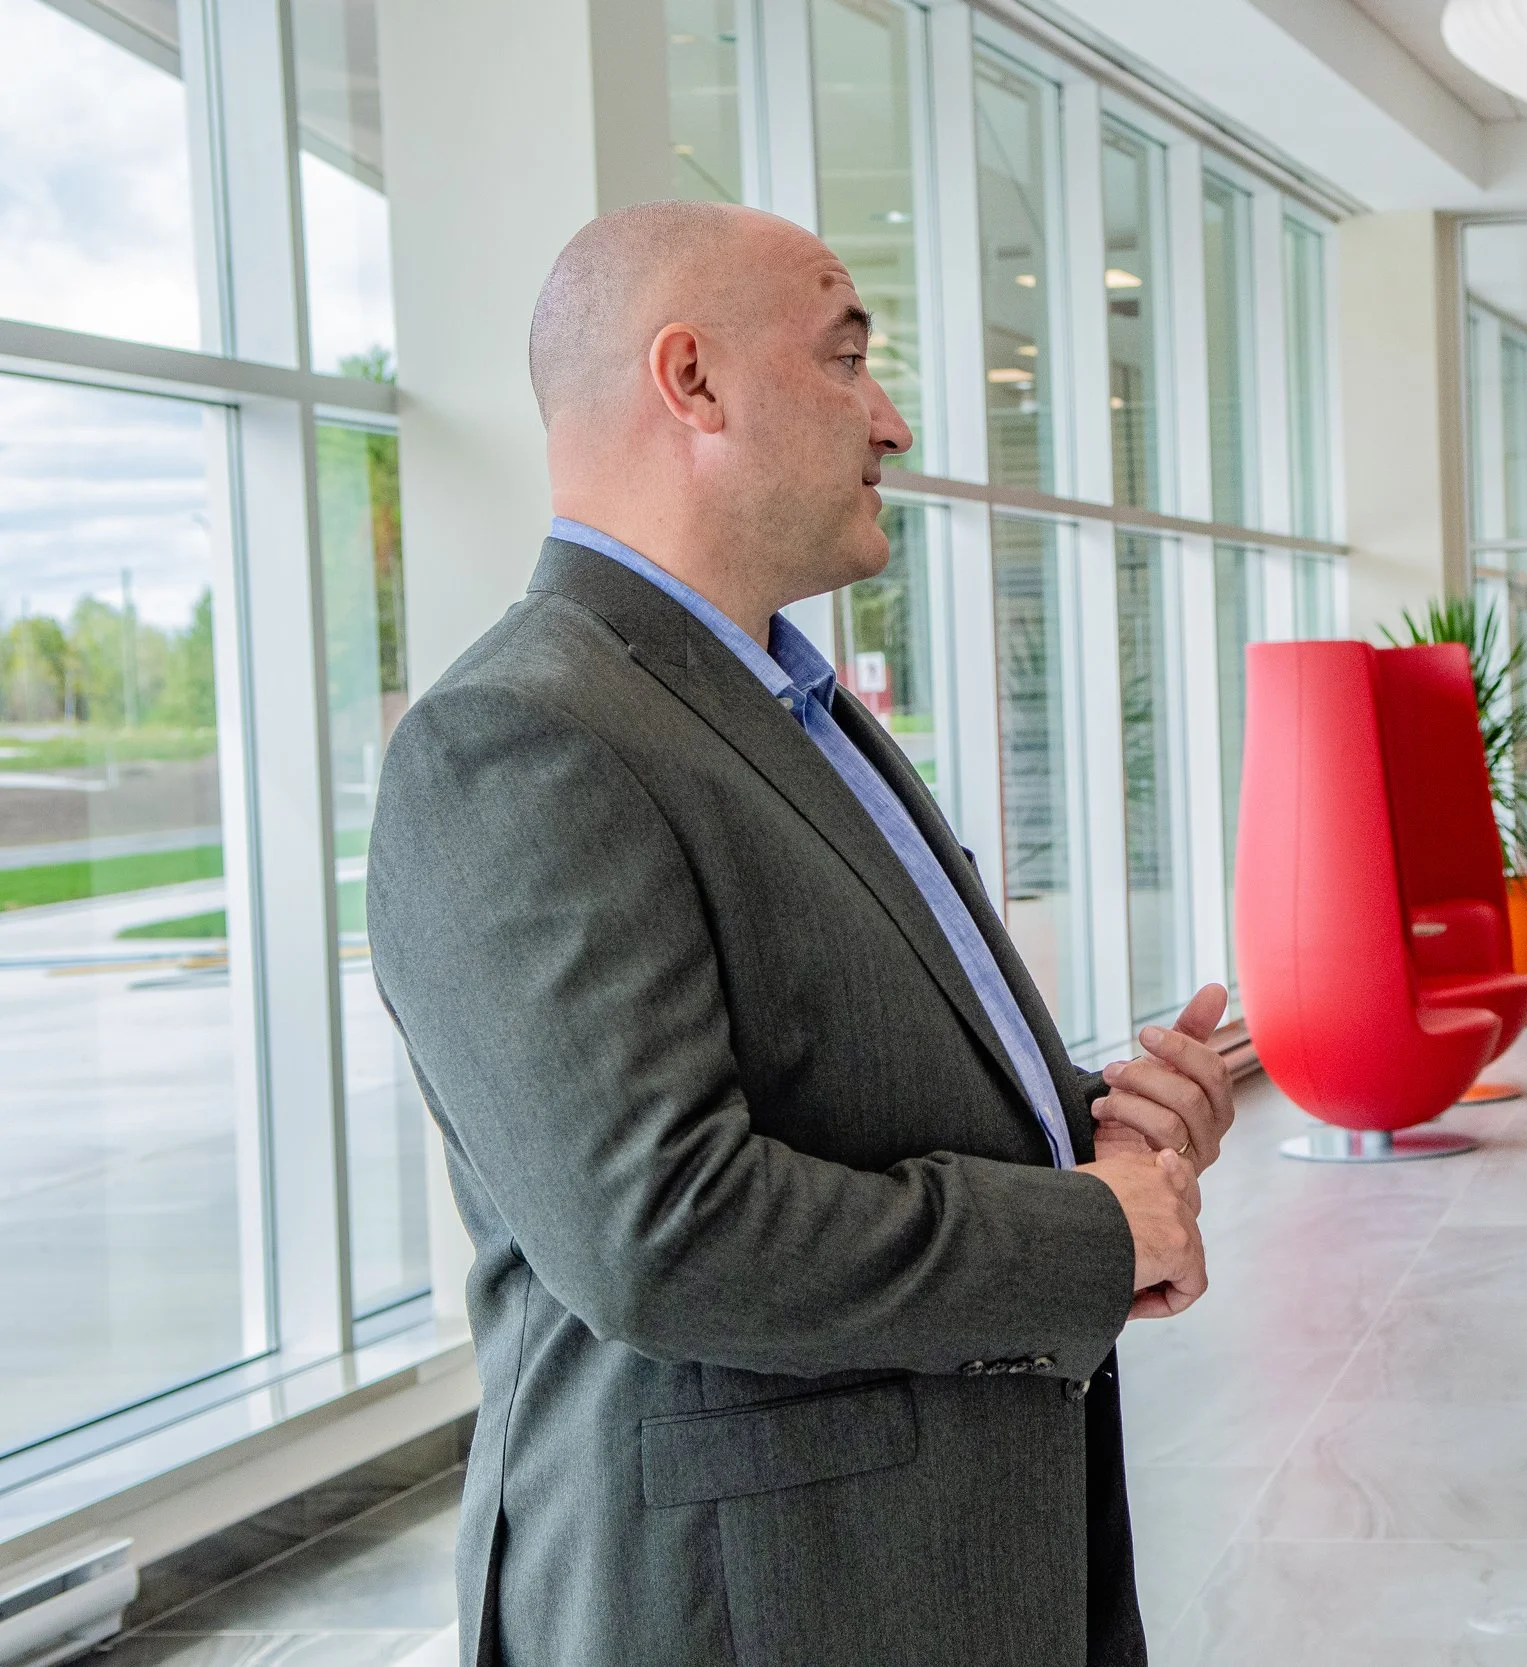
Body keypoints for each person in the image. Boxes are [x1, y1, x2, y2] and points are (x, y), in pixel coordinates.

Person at [367, 200, 1235, 1667]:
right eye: (845, 360)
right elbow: (659, 1228)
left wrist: (1101, 1125)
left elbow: (840, 1075)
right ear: (691, 381)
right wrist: (1084, 1225)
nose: (889, 420)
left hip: (942, 1559)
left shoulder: (786, 701)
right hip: (745, 1601)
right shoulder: (518, 734)